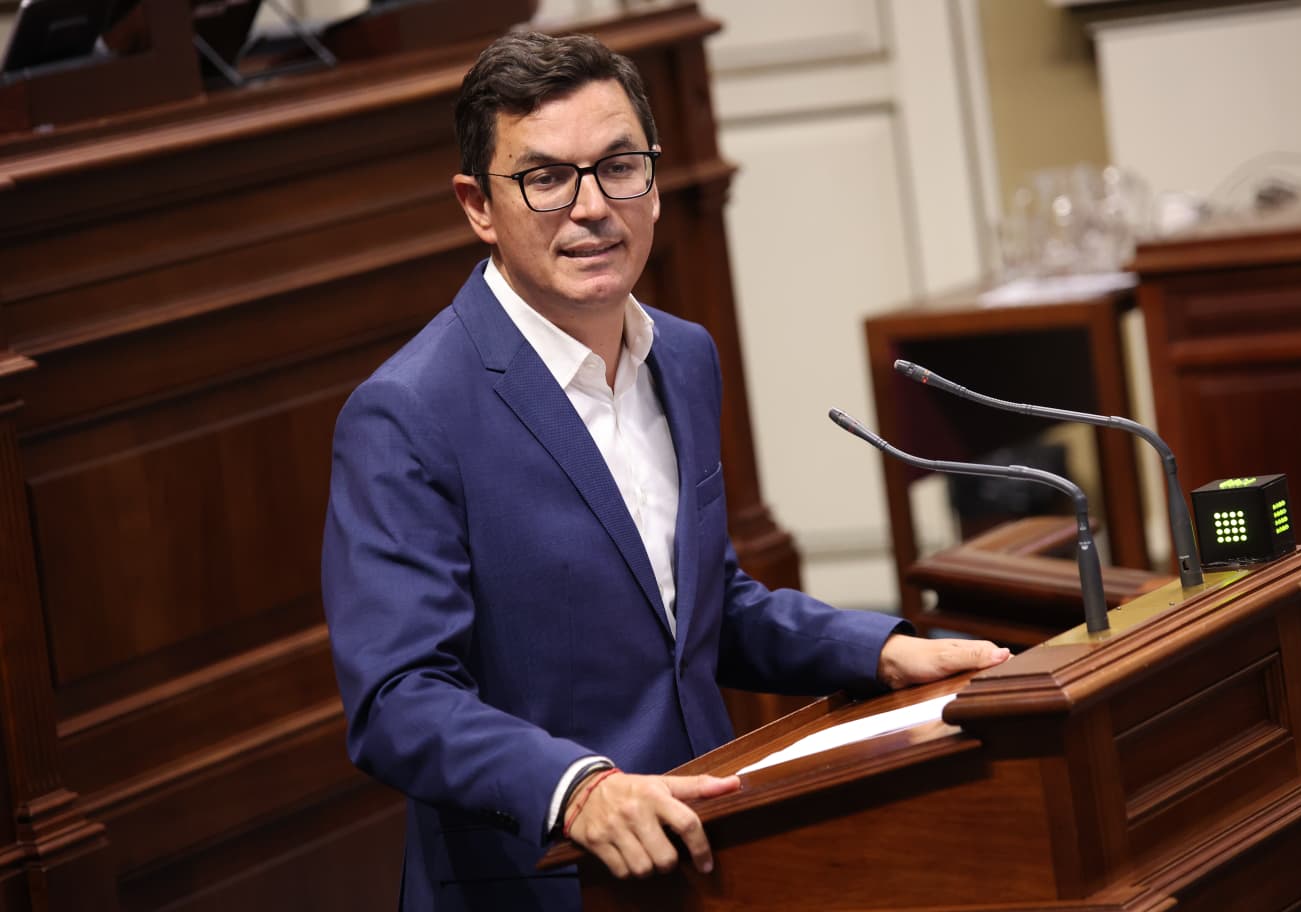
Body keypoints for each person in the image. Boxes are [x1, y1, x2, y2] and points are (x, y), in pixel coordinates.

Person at [320, 30, 1010, 912]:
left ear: (652, 179)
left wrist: (879, 651)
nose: (591, 207)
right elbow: (398, 698)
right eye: (545, 178)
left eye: (619, 167)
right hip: (543, 883)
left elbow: (700, 607)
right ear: (478, 206)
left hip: (713, 854)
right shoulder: (408, 413)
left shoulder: (683, 355)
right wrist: (577, 788)